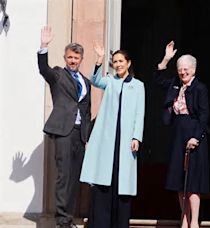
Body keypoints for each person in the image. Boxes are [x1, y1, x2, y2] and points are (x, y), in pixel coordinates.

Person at [79, 43, 145, 228]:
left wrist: (136, 137)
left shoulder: (139, 86)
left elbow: (140, 113)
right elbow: (95, 81)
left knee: (122, 182)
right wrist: (99, 61)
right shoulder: (110, 81)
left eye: (121, 61)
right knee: (104, 180)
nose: (118, 64)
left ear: (128, 63)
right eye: (115, 61)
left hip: (126, 141)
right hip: (108, 139)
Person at [37, 26, 91, 228]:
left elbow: (86, 110)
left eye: (76, 58)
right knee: (64, 176)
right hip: (63, 132)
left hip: (79, 134)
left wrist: (86, 137)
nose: (73, 60)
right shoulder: (58, 75)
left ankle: (68, 219)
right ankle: (61, 221)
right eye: (70, 57)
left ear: (81, 59)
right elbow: (44, 69)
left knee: (75, 178)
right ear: (65, 57)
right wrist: (44, 46)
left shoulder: (85, 81)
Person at [155, 41, 209, 228]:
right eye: (180, 69)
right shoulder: (175, 85)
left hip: (194, 132)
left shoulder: (200, 88)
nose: (183, 72)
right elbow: (158, 79)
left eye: (186, 69)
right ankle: (184, 220)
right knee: (179, 180)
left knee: (193, 181)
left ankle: (194, 221)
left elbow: (204, 116)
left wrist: (196, 137)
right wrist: (166, 59)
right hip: (177, 131)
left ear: (193, 70)